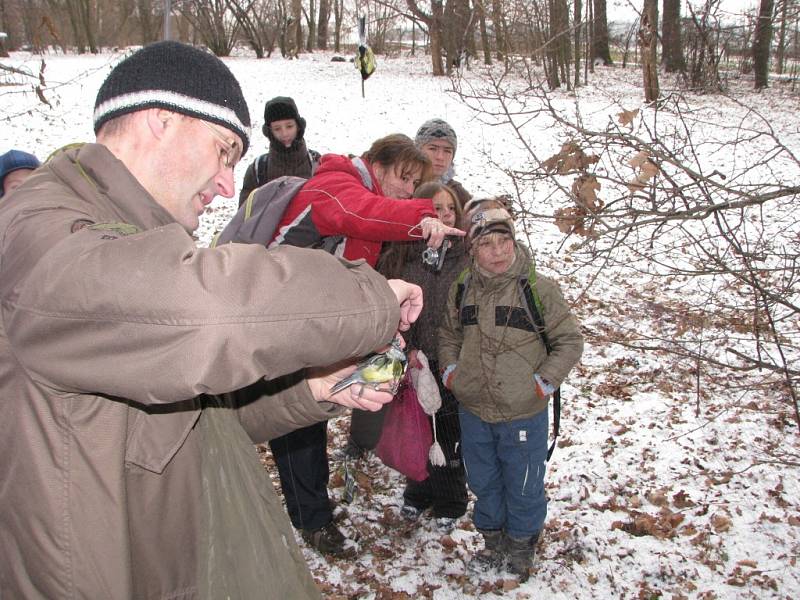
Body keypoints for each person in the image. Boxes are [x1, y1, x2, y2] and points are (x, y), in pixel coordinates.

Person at [0, 41, 424, 600]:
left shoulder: (127, 243)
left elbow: (198, 427)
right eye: (224, 151)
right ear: (161, 119)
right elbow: (204, 311)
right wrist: (370, 300)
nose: (228, 184)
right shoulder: (40, 232)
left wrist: (312, 386)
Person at [263, 134, 464, 556]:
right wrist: (423, 213)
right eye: (404, 178)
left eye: (416, 184)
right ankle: (312, 520)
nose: (408, 189)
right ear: (377, 163)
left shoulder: (362, 197)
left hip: (306, 323)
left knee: (309, 417)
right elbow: (363, 213)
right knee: (297, 423)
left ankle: (311, 508)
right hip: (273, 320)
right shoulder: (334, 184)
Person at [438, 202, 584, 582]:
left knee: (523, 482)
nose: (498, 252)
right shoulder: (462, 287)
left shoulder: (538, 289)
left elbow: (569, 341)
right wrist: (452, 371)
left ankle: (521, 543)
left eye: (504, 241)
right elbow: (449, 335)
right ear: (473, 249)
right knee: (483, 480)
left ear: (515, 243)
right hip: (474, 408)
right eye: (487, 244)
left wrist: (544, 381)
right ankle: (492, 541)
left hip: (523, 410)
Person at [373, 182, 470, 533]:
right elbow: (387, 305)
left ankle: (451, 498)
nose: (442, 215)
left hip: (451, 361)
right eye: (434, 209)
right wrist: (407, 348)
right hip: (412, 358)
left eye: (448, 208)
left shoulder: (467, 257)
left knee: (448, 433)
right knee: (415, 429)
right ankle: (419, 487)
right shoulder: (401, 253)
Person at [238, 96, 321, 206]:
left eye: (289, 126)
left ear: (299, 126)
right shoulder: (258, 170)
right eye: (277, 129)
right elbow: (245, 217)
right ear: (269, 131)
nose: (284, 133)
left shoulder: (317, 163)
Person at [415, 118, 471, 207]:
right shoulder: (405, 187)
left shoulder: (459, 195)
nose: (440, 157)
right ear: (419, 151)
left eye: (447, 151)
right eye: (433, 149)